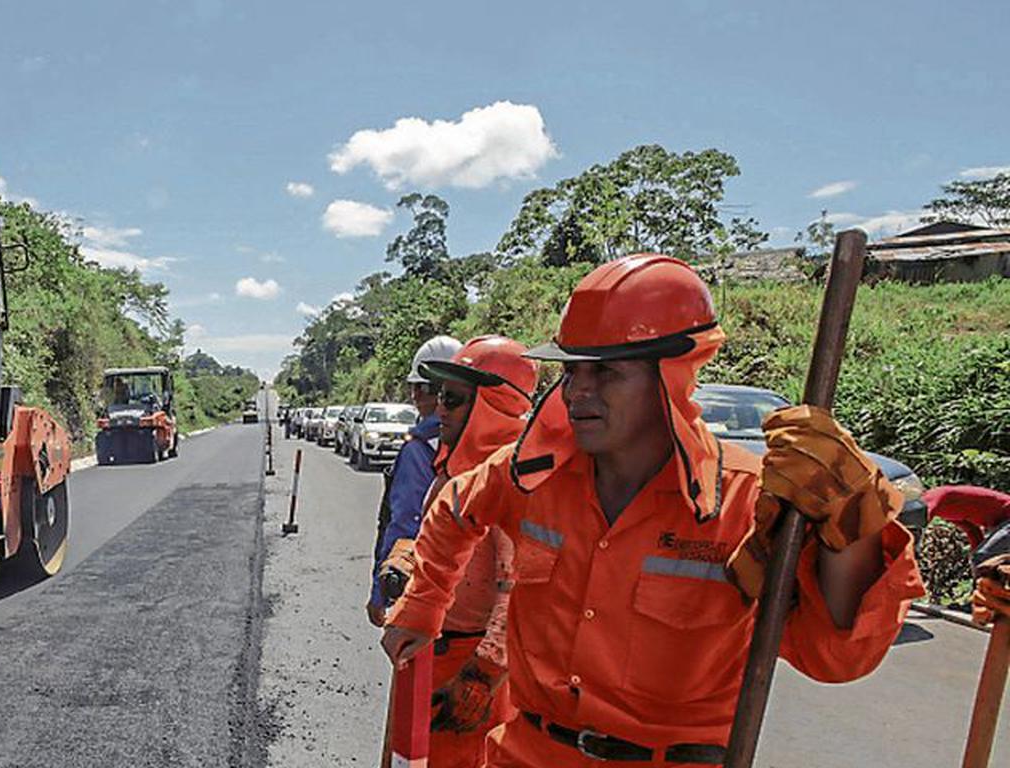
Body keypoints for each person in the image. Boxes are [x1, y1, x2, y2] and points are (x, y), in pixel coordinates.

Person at [382, 254, 924, 767]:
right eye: (572, 371)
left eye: (608, 373)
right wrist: (421, 607)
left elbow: (839, 659)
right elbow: (455, 505)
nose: (577, 392)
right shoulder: (530, 474)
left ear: (671, 377)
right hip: (527, 752)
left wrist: (851, 526)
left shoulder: (745, 502)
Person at [380, 335, 536, 767]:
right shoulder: (451, 469)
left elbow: (517, 590)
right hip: (430, 653)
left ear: (492, 405)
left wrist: (482, 677)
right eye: (439, 395)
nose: (439, 408)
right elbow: (438, 544)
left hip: (468, 668)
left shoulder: (512, 482)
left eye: (453, 398)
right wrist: (404, 558)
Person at [367, 335, 460, 626]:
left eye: (417, 388)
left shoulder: (419, 449)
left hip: (425, 589)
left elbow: (406, 523)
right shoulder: (484, 443)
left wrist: (380, 592)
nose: (414, 396)